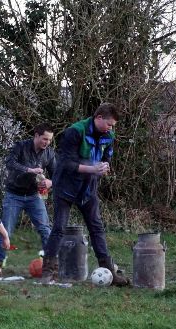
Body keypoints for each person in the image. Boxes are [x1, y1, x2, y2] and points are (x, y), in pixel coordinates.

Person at [41, 103, 129, 286]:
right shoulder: (74, 132)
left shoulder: (108, 136)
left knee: (97, 228)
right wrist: (92, 168)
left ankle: (109, 272)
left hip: (88, 189)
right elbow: (65, 163)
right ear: (98, 118)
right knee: (59, 228)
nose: (111, 129)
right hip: (65, 187)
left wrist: (104, 166)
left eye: (113, 126)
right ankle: (48, 272)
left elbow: (107, 157)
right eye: (109, 124)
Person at [0, 123, 56, 277]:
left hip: (35, 196)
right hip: (14, 195)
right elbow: (10, 163)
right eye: (44, 139)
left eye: (49, 140)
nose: (47, 142)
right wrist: (29, 170)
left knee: (45, 229)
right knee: (6, 230)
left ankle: (50, 266)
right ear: (36, 135)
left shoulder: (49, 153)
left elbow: (57, 174)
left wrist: (50, 182)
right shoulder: (20, 146)